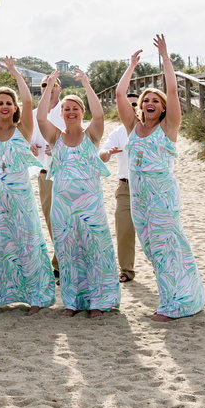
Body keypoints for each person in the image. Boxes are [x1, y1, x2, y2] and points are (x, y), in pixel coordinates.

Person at [116, 35, 205, 321]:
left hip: (162, 196)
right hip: (138, 197)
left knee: (168, 247)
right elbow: (120, 95)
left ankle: (174, 305)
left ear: (164, 107)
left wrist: (166, 57)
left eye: (156, 100)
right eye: (147, 100)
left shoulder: (168, 127)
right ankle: (186, 296)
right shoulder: (133, 126)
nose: (151, 102)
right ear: (141, 106)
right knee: (155, 253)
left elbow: (171, 88)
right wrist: (131, 66)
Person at [0, 58, 55, 315]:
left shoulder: (24, 130)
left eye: (9, 103)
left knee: (27, 245)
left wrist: (14, 72)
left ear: (14, 107)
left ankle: (36, 298)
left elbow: (29, 102)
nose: (4, 106)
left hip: (21, 200)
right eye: (0, 103)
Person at [37, 69, 119, 318]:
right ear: (61, 115)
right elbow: (41, 119)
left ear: (81, 113)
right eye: (66, 109)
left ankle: (98, 302)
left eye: (75, 108)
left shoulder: (91, 136)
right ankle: (71, 302)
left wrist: (86, 84)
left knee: (94, 251)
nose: (71, 112)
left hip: (90, 206)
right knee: (67, 252)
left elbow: (100, 114)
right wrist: (50, 85)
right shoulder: (55, 138)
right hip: (63, 206)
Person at [99, 92, 139, 283]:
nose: (131, 107)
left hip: (150, 187)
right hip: (125, 187)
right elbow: (103, 153)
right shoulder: (118, 132)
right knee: (124, 229)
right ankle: (126, 269)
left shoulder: (151, 128)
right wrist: (107, 153)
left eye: (135, 104)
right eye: (128, 104)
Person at [31, 79, 65, 280]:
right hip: (44, 173)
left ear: (59, 88)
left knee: (66, 220)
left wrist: (59, 147)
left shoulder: (66, 108)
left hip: (65, 173)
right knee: (52, 221)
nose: (49, 88)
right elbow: (28, 138)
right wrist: (31, 147)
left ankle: (61, 263)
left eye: (53, 85)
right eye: (45, 85)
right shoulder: (35, 114)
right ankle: (60, 261)